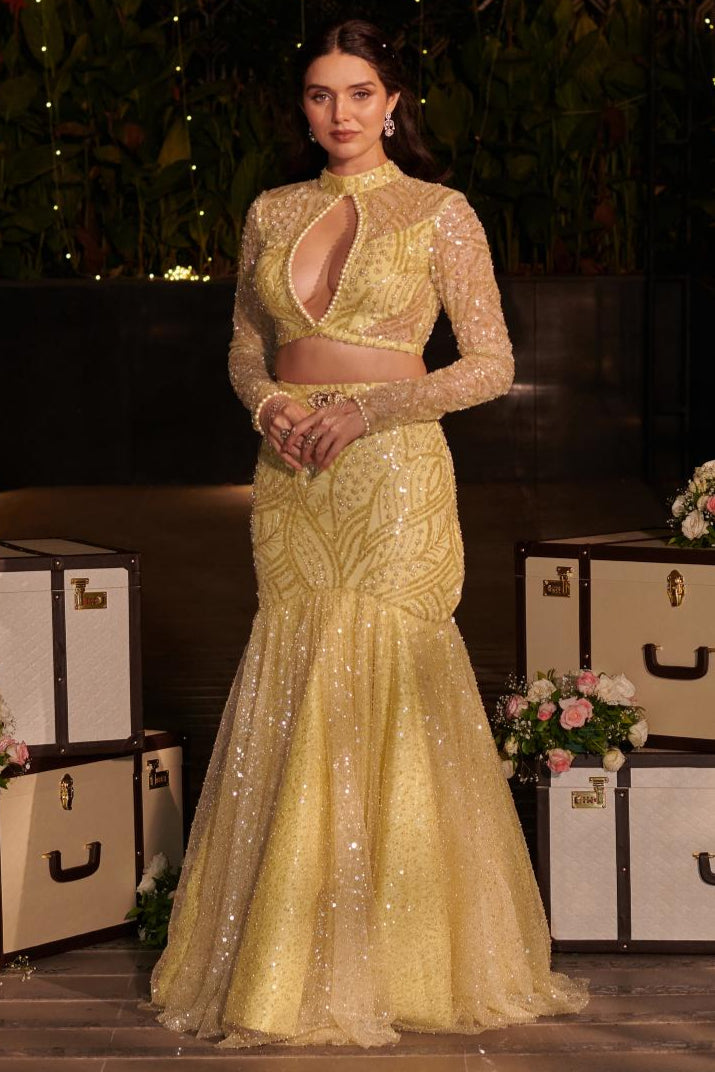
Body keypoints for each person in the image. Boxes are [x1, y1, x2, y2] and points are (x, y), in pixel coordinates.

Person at [150, 18, 590, 1049]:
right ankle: (285, 961)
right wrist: (272, 407)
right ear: (303, 107)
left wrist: (365, 411)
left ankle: (403, 958)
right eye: (320, 94)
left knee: (389, 671)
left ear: (393, 103)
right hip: (291, 475)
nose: (338, 112)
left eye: (358, 93)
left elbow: (489, 363)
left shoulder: (439, 212)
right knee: (299, 667)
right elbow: (245, 348)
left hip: (391, 471)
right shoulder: (272, 209)